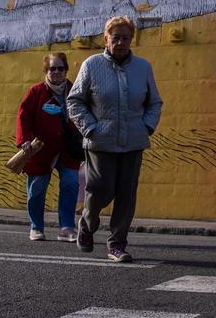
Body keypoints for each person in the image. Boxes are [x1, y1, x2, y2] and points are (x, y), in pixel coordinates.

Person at [66, 16, 163, 263]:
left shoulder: (143, 67)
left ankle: (117, 245)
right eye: (115, 37)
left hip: (133, 141)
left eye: (125, 37)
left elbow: (154, 102)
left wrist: (146, 126)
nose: (120, 42)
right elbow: (74, 101)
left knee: (126, 194)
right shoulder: (91, 65)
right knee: (100, 188)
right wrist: (90, 128)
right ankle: (87, 224)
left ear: (132, 39)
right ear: (106, 38)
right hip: (101, 141)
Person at [15, 52, 83, 242]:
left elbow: (85, 114)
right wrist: (24, 140)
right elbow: (23, 117)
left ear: (66, 70)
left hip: (69, 149)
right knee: (36, 189)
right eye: (52, 68)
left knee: (70, 184)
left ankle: (67, 227)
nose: (57, 72)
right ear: (46, 70)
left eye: (61, 68)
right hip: (40, 149)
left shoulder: (75, 91)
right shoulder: (36, 92)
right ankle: (36, 227)